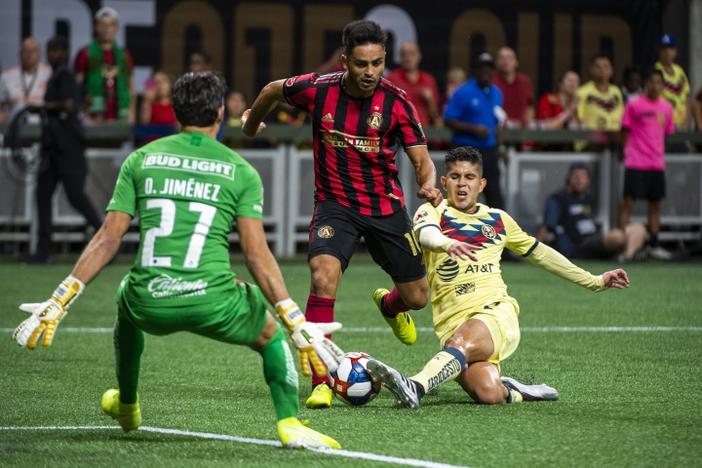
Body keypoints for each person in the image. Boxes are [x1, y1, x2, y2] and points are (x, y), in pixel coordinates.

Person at [12, 71, 343, 449]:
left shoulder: (142, 159)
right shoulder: (241, 171)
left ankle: (127, 403)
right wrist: (292, 317)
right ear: (221, 112)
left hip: (151, 301)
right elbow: (255, 254)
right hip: (214, 302)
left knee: (126, 295)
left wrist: (61, 297)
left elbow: (107, 239)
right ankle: (289, 423)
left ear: (174, 112)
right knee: (270, 336)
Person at [241, 19, 443, 409]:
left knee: (417, 297)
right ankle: (321, 379)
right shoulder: (318, 89)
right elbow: (271, 91)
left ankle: (390, 306)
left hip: (386, 208)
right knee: (322, 277)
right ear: (345, 60)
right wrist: (251, 126)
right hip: (336, 206)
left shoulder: (397, 101)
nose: (370, 73)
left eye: (377, 64)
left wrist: (428, 183)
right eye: (362, 64)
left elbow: (423, 160)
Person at [364, 146, 631, 408]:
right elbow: (426, 235)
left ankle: (415, 386)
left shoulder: (497, 219)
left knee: (462, 344)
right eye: (455, 177)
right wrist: (447, 244)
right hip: (452, 322)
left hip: (494, 312)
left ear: (481, 184)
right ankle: (514, 390)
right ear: (444, 182)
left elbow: (541, 253)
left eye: (469, 177)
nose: (462, 184)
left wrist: (594, 281)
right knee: (488, 393)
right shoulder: (433, 210)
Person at [23, 37, 102, 264]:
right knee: (42, 195)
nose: (52, 54)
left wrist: (42, 107)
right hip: (52, 151)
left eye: (56, 50)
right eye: (50, 50)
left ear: (65, 53)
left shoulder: (65, 75)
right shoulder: (55, 76)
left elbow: (68, 104)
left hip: (68, 150)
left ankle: (105, 238)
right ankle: (43, 251)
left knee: (76, 196)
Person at [618, 69, 675, 260]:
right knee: (628, 203)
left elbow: (666, 132)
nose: (655, 85)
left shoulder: (667, 108)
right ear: (646, 84)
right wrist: (626, 152)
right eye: (652, 82)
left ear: (663, 85)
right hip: (635, 161)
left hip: (656, 163)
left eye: (659, 82)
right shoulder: (634, 105)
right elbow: (625, 130)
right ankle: (624, 245)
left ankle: (654, 245)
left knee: (655, 205)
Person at [537, 163, 646, 261]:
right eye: (576, 177)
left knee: (639, 228)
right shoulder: (558, 199)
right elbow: (547, 227)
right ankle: (627, 252)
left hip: (596, 237)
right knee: (618, 237)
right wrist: (533, 250)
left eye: (583, 177)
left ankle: (627, 255)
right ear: (568, 178)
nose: (580, 180)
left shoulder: (587, 198)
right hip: (580, 244)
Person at [444, 52, 505, 209]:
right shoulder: (463, 91)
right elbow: (448, 119)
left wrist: (501, 147)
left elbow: (498, 121)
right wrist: (473, 129)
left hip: (489, 150)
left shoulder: (497, 93)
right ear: (476, 70)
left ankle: (497, 229)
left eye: (489, 69)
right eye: (482, 68)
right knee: (462, 190)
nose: (486, 72)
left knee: (494, 193)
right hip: (466, 150)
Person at [74, 6, 134, 122]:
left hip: (120, 113)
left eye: (111, 25)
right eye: (102, 25)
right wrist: (82, 112)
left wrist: (131, 113)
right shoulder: (86, 53)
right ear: (96, 27)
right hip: (93, 114)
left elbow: (130, 87)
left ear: (116, 28)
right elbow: (77, 86)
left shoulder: (124, 55)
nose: (107, 29)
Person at [386, 41, 442, 126]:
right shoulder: (391, 79)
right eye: (404, 54)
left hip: (422, 131)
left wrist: (430, 100)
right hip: (398, 130)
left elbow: (435, 116)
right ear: (400, 58)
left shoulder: (429, 80)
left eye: (412, 54)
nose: (408, 58)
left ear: (419, 56)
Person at [0, 37, 51, 124]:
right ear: (19, 54)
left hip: (43, 127)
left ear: (39, 54)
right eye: (26, 51)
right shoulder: (7, 76)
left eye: (33, 51)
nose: (29, 55)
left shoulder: (50, 74)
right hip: (15, 128)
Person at [576, 54, 624, 133]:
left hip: (614, 139)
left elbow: (622, 116)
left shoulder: (616, 91)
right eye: (598, 67)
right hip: (591, 140)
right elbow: (577, 119)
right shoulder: (582, 91)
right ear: (590, 70)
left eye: (606, 66)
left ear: (612, 71)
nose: (602, 70)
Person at [654, 34, 691, 130]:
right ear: (659, 51)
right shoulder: (655, 70)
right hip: (664, 124)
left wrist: (686, 123)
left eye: (670, 48)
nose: (667, 52)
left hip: (682, 123)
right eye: (664, 48)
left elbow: (687, 98)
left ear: (675, 51)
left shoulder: (679, 71)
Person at [492, 47, 533, 129]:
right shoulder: (491, 82)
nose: (506, 61)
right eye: (502, 58)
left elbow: (530, 106)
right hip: (499, 130)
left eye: (509, 58)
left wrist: (527, 122)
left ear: (516, 62)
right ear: (496, 62)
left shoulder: (525, 81)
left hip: (522, 131)